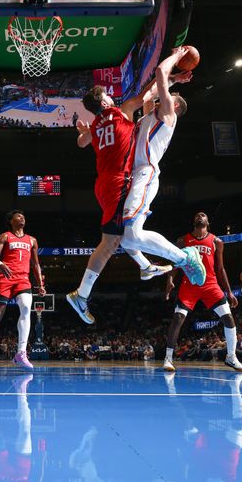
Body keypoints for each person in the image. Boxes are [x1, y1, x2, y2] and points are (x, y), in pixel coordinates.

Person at [66, 74, 202, 324]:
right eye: (107, 94)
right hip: (119, 181)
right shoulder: (121, 111)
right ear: (105, 102)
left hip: (103, 184)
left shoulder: (97, 124)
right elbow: (149, 94)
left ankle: (143, 266)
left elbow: (80, 142)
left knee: (118, 238)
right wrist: (171, 79)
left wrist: (88, 130)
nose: (111, 96)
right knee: (111, 242)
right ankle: (82, 294)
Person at [118, 47, 207, 281]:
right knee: (127, 239)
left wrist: (177, 57)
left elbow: (159, 72)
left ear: (174, 105)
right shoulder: (150, 114)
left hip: (145, 174)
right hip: (136, 176)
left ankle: (184, 258)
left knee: (129, 236)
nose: (165, 96)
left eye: (170, 95)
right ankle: (147, 266)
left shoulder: (169, 115)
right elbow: (150, 91)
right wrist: (176, 77)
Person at [164, 212, 242, 372]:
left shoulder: (217, 241)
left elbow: (221, 268)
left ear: (207, 222)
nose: (200, 216)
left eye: (203, 215)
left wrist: (229, 292)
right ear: (194, 221)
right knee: (178, 318)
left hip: (210, 285)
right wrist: (170, 279)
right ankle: (168, 358)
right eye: (197, 215)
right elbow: (176, 263)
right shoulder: (183, 240)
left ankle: (231, 357)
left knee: (229, 319)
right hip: (190, 285)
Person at [0, 210, 46, 371]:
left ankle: (21, 353)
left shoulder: (32, 240)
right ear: (11, 221)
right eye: (18, 216)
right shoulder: (4, 237)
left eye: (23, 216)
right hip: (6, 278)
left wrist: (40, 284)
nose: (22, 217)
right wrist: (0, 264)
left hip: (23, 280)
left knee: (25, 308)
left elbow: (35, 264)